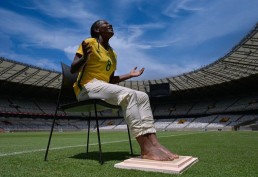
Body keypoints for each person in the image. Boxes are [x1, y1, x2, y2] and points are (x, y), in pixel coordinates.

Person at [70, 20, 179, 161]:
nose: (110, 25)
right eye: (105, 24)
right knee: (129, 94)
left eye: (110, 24)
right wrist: (85, 58)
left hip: (100, 88)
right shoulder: (89, 42)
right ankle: (146, 148)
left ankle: (155, 144)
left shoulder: (113, 54)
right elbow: (73, 69)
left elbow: (110, 80)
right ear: (97, 30)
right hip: (86, 88)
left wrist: (129, 75)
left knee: (142, 96)